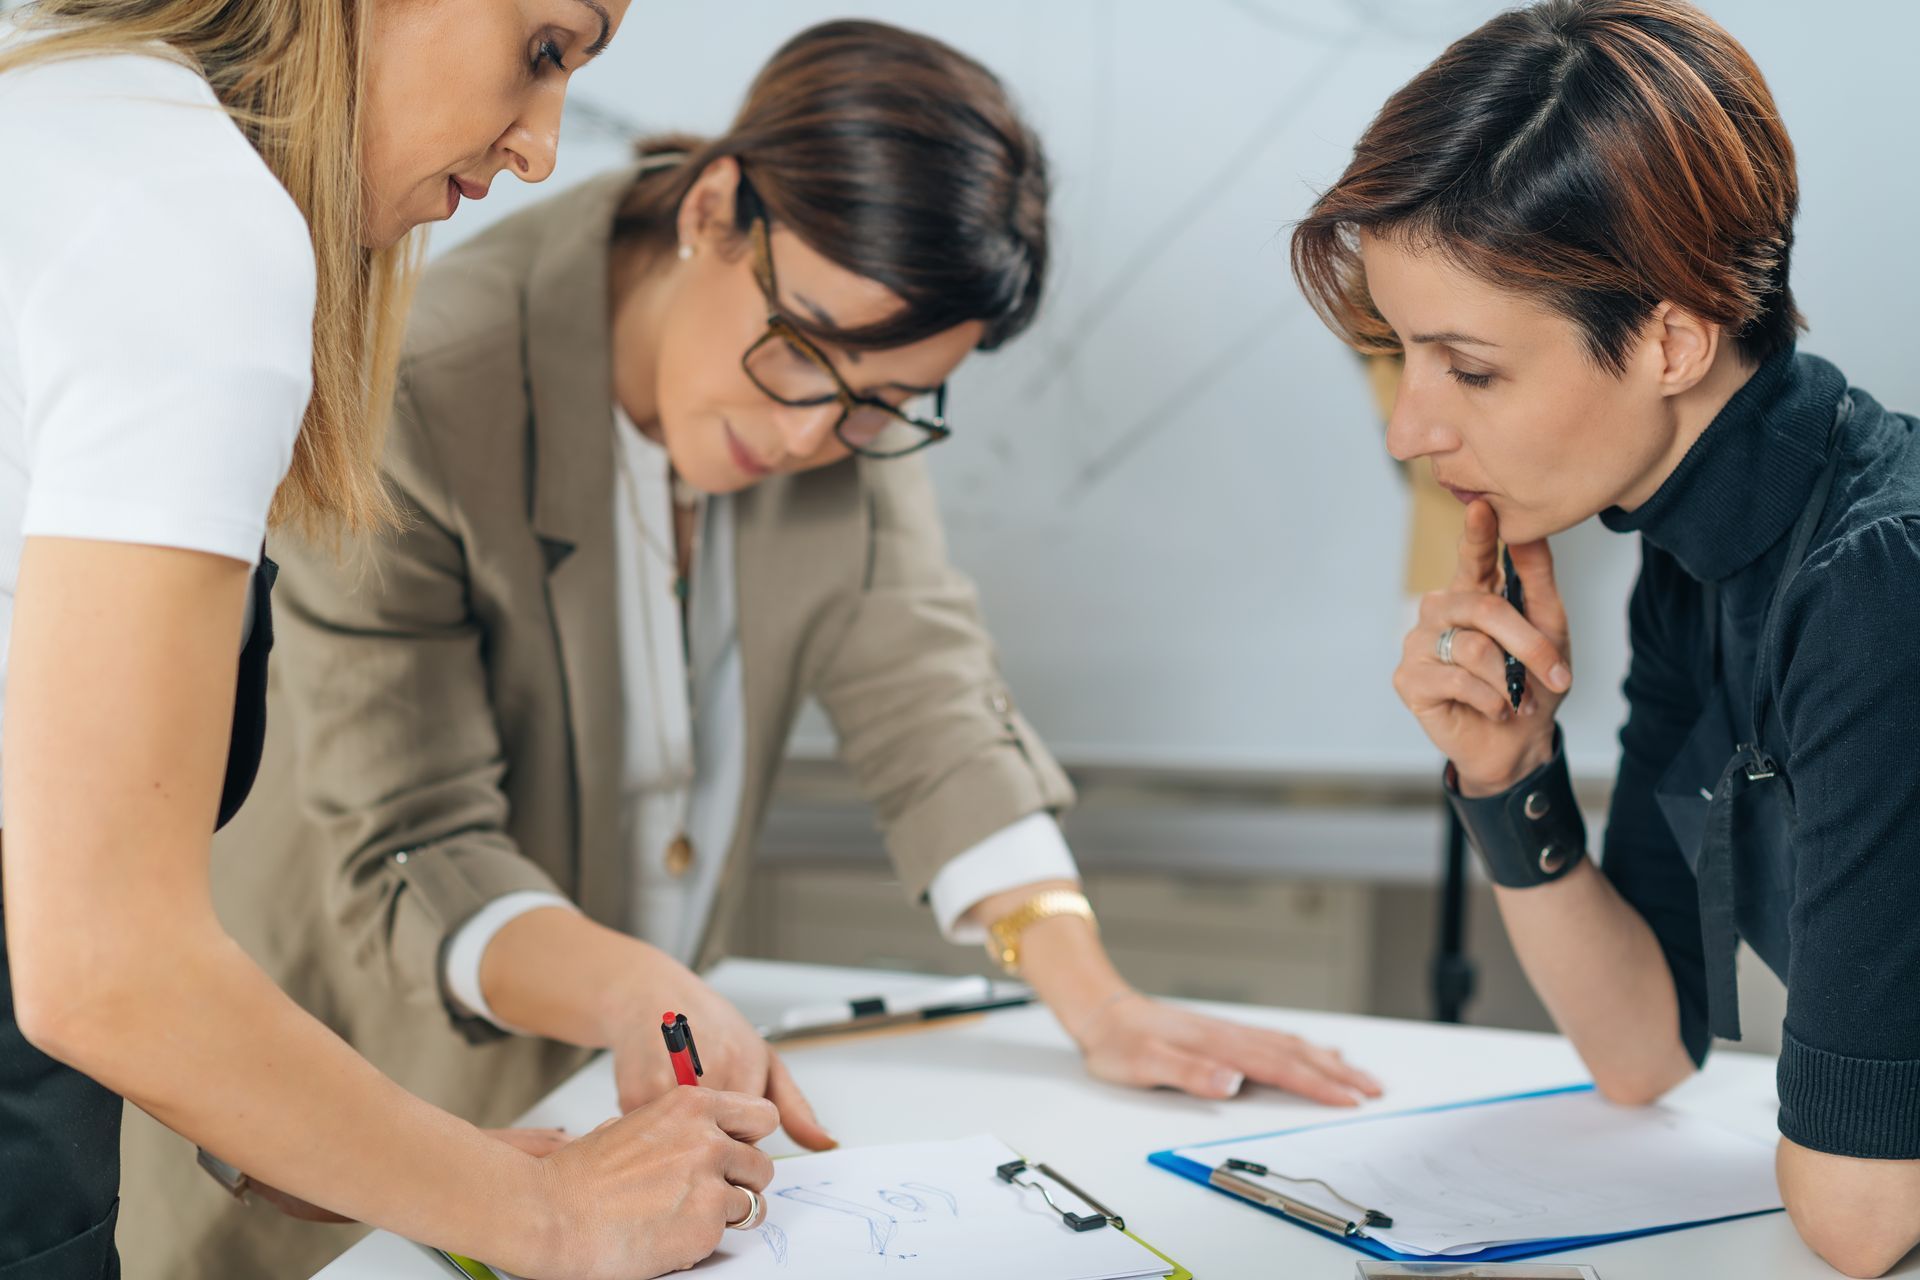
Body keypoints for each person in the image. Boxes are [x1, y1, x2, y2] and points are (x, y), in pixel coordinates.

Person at [120, 18, 1385, 1275]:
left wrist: (1093, 994)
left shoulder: (844, 399)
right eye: (807, 359)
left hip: (620, 1134)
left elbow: (926, 694)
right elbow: (415, 840)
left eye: (883, 402)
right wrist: (637, 991)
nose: (811, 435)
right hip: (359, 1116)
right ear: (717, 208)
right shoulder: (427, 378)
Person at [0, 2, 793, 1277]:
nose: (540, 148)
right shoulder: (197, 224)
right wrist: (538, 1212)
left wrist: (399, 1154)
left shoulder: (64, 106)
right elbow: (101, 964)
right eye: (544, 51)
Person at [1292, 1, 1920, 1274]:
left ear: (1672, 338)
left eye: (1467, 369)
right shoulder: (1693, 548)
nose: (1411, 427)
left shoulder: (1875, 582)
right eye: (1401, 357)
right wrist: (1507, 770)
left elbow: (1862, 1216)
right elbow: (1642, 1046)